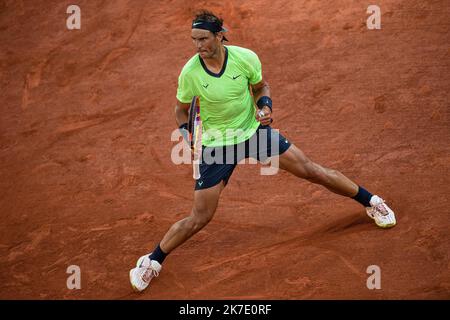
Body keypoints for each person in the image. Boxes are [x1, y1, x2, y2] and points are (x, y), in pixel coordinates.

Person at [129, 10, 396, 292]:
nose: (198, 46)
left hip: (253, 132)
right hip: (217, 144)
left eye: (203, 39)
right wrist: (187, 134)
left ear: (219, 35)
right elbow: (180, 110)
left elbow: (260, 86)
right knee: (200, 216)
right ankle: (152, 261)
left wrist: (265, 106)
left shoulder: (245, 58)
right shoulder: (191, 73)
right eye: (194, 40)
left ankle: (371, 201)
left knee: (310, 170)